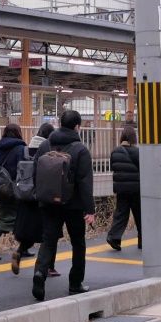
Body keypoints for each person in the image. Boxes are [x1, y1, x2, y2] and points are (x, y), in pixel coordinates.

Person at [31, 109, 94, 302]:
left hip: (49, 202)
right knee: (78, 243)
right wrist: (89, 209)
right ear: (77, 126)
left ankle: (40, 273)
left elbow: (35, 172)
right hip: (72, 205)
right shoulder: (80, 149)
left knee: (48, 240)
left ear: (60, 123)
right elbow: (85, 182)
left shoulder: (46, 145)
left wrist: (39, 195)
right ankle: (75, 283)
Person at [10, 121, 54, 275]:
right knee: (48, 234)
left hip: (24, 195)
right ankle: (47, 267)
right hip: (40, 195)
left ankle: (19, 251)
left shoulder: (25, 148)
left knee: (29, 232)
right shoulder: (47, 149)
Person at [0, 123, 28, 260]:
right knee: (21, 218)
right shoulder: (21, 148)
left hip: (1, 189)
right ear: (18, 133)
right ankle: (23, 248)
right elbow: (23, 169)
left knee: (5, 217)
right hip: (15, 188)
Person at [107, 126, 141, 251]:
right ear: (134, 137)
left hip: (121, 188)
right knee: (139, 215)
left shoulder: (115, 152)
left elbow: (113, 167)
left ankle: (114, 237)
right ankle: (143, 240)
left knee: (121, 214)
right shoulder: (137, 152)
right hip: (136, 188)